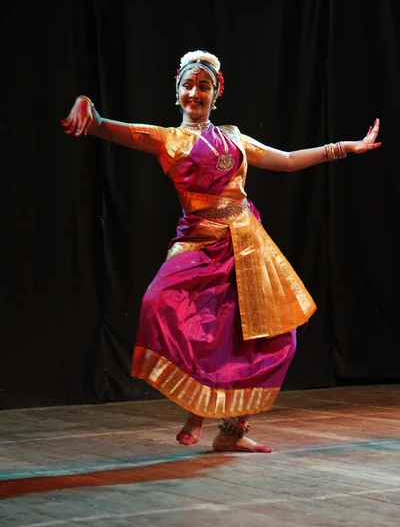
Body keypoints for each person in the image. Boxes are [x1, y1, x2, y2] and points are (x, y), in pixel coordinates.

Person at [62, 50, 381, 453]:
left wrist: (342, 148)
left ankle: (232, 431)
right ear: (177, 91)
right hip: (199, 242)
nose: (195, 93)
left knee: (267, 336)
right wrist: (91, 114)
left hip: (247, 243)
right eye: (188, 86)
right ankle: (196, 410)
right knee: (161, 303)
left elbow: (284, 160)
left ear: (217, 92)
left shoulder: (234, 139)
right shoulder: (168, 140)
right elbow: (112, 129)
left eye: (204, 86)